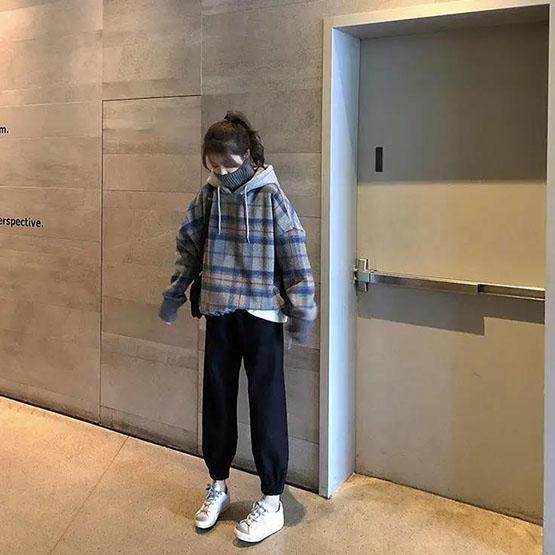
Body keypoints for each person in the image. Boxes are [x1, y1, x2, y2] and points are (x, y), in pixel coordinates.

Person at [158, 110, 317, 543]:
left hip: (262, 316)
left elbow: (295, 255)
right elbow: (188, 247)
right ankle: (218, 484)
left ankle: (272, 499)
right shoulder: (209, 196)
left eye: (228, 165)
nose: (221, 173)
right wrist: (175, 294)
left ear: (246, 155)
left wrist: (303, 310)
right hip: (219, 312)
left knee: (267, 406)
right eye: (212, 166)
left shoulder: (271, 197)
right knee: (217, 402)